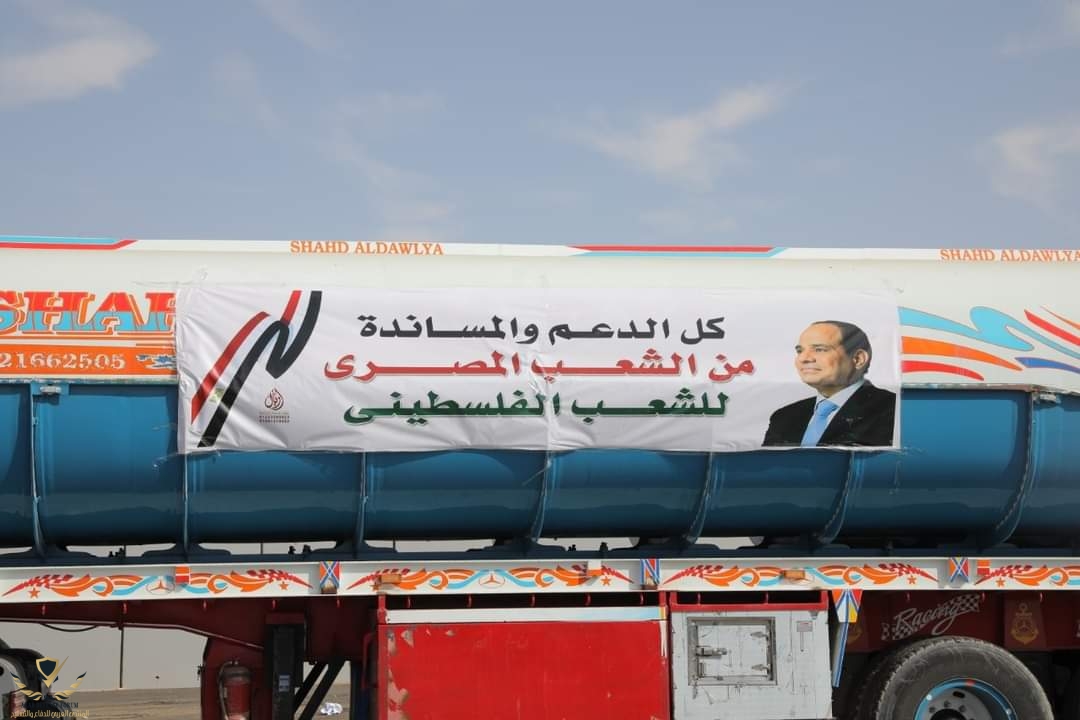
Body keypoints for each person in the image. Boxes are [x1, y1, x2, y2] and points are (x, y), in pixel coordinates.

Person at [763, 320, 896, 447]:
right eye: (800, 351)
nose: (803, 358)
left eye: (819, 349)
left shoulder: (893, 410)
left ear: (858, 359)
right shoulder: (784, 417)